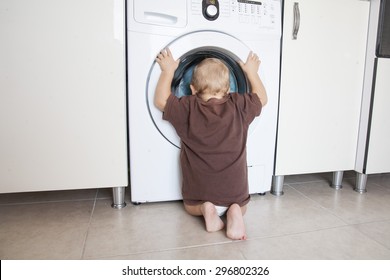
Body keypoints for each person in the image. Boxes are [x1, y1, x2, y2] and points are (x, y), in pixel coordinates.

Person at [154, 48, 267, 240]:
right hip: (235, 190)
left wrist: (168, 71)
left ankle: (206, 209)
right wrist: (251, 73)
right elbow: (262, 99)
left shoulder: (187, 107)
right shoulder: (239, 105)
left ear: (192, 89)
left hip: (200, 191)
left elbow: (161, 100)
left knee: (191, 208)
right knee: (242, 206)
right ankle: (235, 211)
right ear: (228, 89)